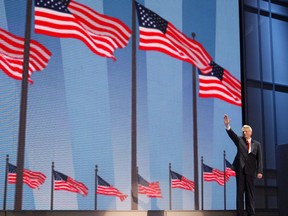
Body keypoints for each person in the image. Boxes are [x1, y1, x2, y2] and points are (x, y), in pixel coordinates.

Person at [224, 114, 263, 216]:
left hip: (250, 171)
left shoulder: (257, 144)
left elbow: (260, 159)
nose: (244, 133)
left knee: (250, 194)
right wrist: (228, 126)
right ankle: (240, 214)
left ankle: (251, 213)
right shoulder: (239, 140)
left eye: (246, 131)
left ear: (250, 132)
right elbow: (232, 135)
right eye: (243, 131)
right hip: (240, 170)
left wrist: (259, 171)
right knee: (240, 193)